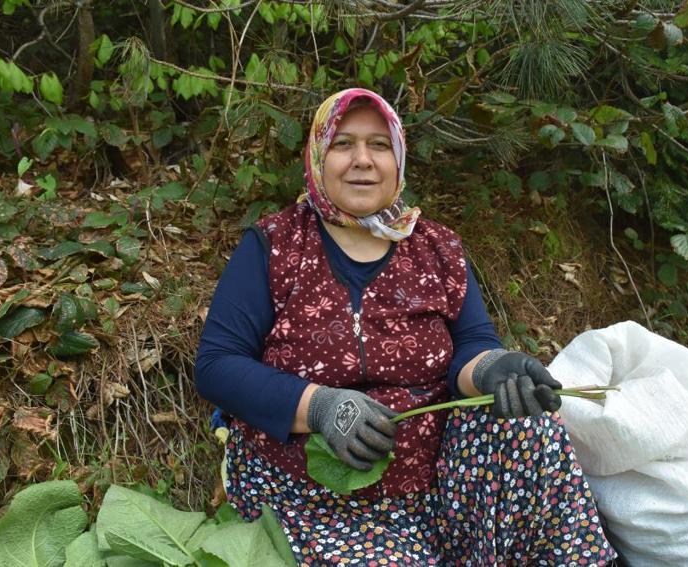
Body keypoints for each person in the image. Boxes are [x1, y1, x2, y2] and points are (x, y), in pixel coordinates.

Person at [195, 88, 616, 565]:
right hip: (313, 497)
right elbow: (216, 366)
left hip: (436, 485)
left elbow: (472, 344)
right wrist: (321, 407)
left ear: (397, 158)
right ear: (316, 155)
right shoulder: (275, 245)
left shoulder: (436, 247)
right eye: (342, 144)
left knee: (530, 427)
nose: (362, 161)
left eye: (378, 145)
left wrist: (495, 367)